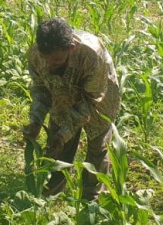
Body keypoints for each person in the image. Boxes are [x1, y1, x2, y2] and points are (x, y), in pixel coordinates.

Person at [22, 18, 122, 200]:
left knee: (98, 143)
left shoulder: (92, 55)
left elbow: (90, 101)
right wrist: (36, 121)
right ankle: (53, 190)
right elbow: (41, 90)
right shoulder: (37, 55)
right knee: (57, 142)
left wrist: (65, 133)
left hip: (98, 92)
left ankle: (91, 198)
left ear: (71, 48)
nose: (50, 64)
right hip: (61, 88)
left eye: (57, 60)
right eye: (47, 59)